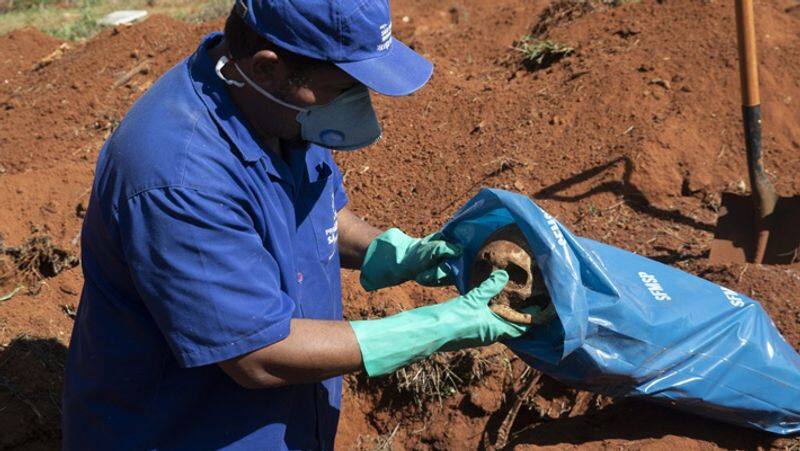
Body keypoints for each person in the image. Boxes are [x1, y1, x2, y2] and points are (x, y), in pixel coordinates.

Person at [62, 0, 529, 449]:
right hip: (189, 432)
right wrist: (436, 328)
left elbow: (318, 212)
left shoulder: (279, 109)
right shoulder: (180, 177)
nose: (357, 106)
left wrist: (394, 252)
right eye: (343, 89)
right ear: (268, 67)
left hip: (287, 424)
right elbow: (259, 356)